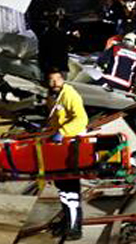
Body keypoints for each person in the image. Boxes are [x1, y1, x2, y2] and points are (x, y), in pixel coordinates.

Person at [45, 68, 88, 240]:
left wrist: (63, 131)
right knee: (63, 189)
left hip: (71, 147)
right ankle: (66, 223)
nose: (54, 82)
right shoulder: (53, 97)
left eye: (57, 79)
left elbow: (81, 119)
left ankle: (74, 229)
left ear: (63, 80)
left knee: (70, 190)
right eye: (51, 79)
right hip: (60, 147)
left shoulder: (69, 94)